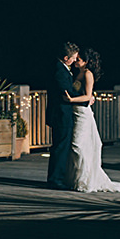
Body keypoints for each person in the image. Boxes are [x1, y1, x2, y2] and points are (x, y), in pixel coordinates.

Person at [63, 48, 120, 192]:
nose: (76, 61)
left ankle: (84, 178)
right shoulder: (77, 73)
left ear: (86, 61)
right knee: (77, 146)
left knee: (78, 145)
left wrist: (72, 99)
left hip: (83, 113)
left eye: (79, 59)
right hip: (75, 111)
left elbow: (87, 96)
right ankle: (74, 178)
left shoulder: (87, 74)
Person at [46, 42, 81, 190]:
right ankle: (56, 179)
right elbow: (67, 92)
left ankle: (57, 177)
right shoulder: (60, 71)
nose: (74, 60)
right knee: (61, 146)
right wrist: (85, 98)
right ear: (66, 58)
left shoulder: (62, 68)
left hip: (61, 113)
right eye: (73, 58)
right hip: (61, 114)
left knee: (62, 145)